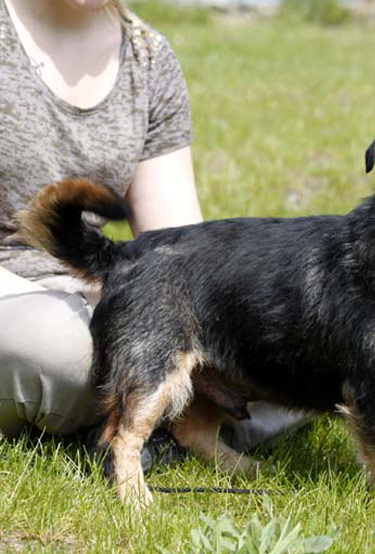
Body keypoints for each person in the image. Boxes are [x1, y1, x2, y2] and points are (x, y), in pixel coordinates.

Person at [0, 0, 306, 453]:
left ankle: (136, 422)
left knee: (294, 337)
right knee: (64, 352)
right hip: (13, 295)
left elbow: (181, 244)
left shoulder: (148, 56)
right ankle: (164, 423)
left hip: (91, 288)